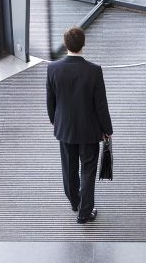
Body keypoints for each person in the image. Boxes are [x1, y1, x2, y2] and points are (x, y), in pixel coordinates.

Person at [46, 27, 113, 224]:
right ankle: (85, 212)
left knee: (69, 168)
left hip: (65, 128)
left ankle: (75, 202)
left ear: (65, 44)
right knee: (88, 169)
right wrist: (107, 129)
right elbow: (101, 105)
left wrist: (54, 120)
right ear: (83, 44)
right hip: (89, 130)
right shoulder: (94, 71)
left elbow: (51, 101)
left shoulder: (53, 68)